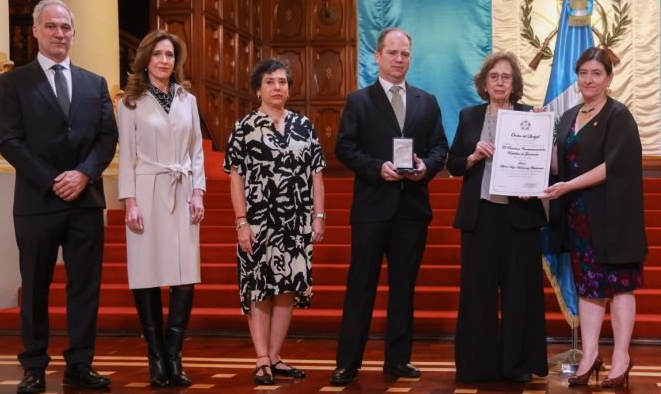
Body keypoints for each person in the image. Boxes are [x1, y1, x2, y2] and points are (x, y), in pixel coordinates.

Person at [0, 0, 118, 394]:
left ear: (73, 33)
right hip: (36, 200)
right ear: (35, 31)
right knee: (34, 287)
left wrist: (82, 174)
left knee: (84, 286)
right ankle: (33, 366)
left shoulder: (93, 83)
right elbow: (9, 140)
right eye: (51, 27)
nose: (59, 34)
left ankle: (80, 364)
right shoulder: (14, 82)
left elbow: (107, 137)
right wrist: (53, 180)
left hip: (85, 199)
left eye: (65, 27)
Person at [331, 27, 448, 385]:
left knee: (403, 288)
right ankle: (347, 363)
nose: (399, 59)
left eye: (405, 54)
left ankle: (398, 360)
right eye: (393, 53)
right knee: (360, 286)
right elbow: (344, 148)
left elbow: (440, 148)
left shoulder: (426, 101)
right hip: (371, 207)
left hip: (411, 209)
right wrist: (375, 168)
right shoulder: (359, 101)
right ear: (377, 56)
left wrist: (425, 167)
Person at [540, 47, 647, 388]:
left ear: (609, 78)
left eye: (596, 73)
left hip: (614, 216)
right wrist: (538, 135)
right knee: (588, 288)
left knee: (619, 288)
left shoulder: (619, 115)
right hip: (578, 218)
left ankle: (621, 357)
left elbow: (613, 166)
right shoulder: (570, 115)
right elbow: (560, 165)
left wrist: (568, 184)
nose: (588, 79)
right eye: (583, 72)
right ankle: (589, 355)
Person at [447, 52, 548, 383]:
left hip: (519, 217)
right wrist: (474, 156)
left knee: (520, 292)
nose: (500, 82)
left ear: (515, 83)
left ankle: (516, 365)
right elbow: (454, 164)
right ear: (484, 82)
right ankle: (480, 365)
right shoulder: (469, 116)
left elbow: (543, 164)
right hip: (481, 215)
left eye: (506, 77)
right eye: (494, 77)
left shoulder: (530, 116)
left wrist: (541, 133)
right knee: (479, 292)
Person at [224, 59, 326, 385]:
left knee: (287, 289)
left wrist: (318, 217)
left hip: (296, 222)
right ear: (258, 88)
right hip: (258, 221)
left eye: (282, 82)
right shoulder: (244, 127)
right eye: (270, 82)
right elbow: (236, 177)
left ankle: (277, 355)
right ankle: (261, 358)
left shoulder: (304, 126)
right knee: (259, 286)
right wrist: (241, 221)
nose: (277, 87)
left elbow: (317, 176)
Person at [117, 30, 205, 387]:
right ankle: (155, 357)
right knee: (147, 272)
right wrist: (129, 202)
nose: (164, 60)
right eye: (157, 55)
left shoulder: (188, 100)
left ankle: (174, 355)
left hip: (182, 189)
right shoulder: (130, 102)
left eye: (169, 55)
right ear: (145, 59)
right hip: (146, 188)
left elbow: (196, 150)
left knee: (185, 276)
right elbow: (126, 156)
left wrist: (198, 192)